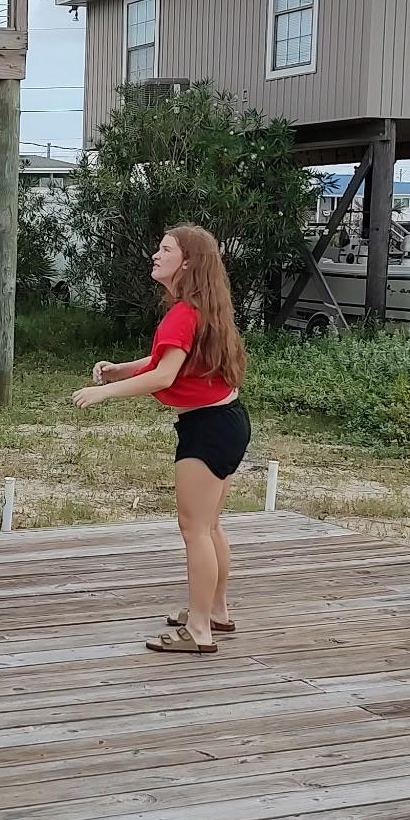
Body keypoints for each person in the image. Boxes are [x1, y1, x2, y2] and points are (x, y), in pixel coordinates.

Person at [72, 224, 250, 655]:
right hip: (227, 420)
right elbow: (166, 362)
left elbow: (165, 374)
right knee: (208, 527)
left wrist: (105, 391)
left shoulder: (183, 313)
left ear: (186, 263)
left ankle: (200, 630)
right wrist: (121, 369)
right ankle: (216, 612)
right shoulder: (198, 309)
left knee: (195, 531)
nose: (155, 254)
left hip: (206, 429)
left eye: (165, 249)